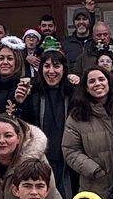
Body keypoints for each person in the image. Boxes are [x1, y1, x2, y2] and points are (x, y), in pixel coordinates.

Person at [61, 67, 113, 198]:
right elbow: (70, 150)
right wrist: (94, 170)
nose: (97, 84)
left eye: (101, 79)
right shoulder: (77, 117)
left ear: (109, 82)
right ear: (86, 88)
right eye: (92, 81)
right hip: (94, 187)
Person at [21, 48, 76, 190]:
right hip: (40, 158)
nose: (51, 71)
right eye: (46, 66)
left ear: (64, 69)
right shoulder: (32, 92)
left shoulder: (74, 93)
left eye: (56, 66)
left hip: (68, 160)